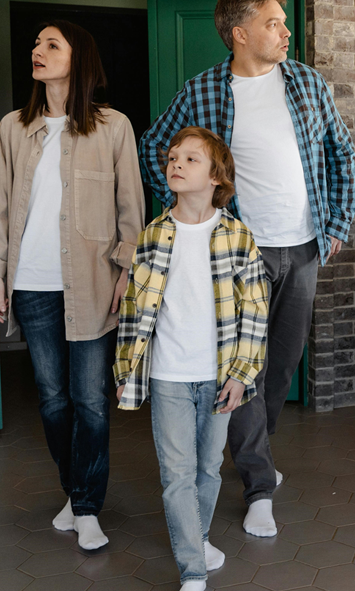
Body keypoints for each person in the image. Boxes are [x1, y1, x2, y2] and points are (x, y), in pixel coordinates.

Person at [139, 0, 355, 536]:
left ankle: (254, 451)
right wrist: (189, 214)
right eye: (273, 23)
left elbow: (340, 153)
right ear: (239, 33)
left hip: (303, 246)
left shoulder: (307, 83)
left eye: (284, 22)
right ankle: (259, 483)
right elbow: (153, 149)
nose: (286, 31)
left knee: (280, 364)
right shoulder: (203, 90)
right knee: (242, 368)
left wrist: (335, 224)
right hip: (238, 255)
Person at [0, 20, 146, 551]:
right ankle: (75, 489)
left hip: (92, 283)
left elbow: (131, 210)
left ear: (79, 58)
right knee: (51, 401)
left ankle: (87, 506)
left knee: (90, 400)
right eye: (36, 44)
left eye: (52, 45)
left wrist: (126, 272)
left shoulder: (113, 127)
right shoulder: (13, 129)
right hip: (32, 284)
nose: (37, 51)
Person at [114, 127, 269, 591]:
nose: (176, 164)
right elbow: (134, 311)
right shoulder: (154, 235)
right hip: (168, 375)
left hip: (219, 375)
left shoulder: (239, 238)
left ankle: (197, 539)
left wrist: (241, 375)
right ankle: (192, 571)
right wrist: (126, 371)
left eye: (191, 159)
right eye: (173, 158)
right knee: (177, 474)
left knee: (206, 468)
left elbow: (256, 315)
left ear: (217, 178)